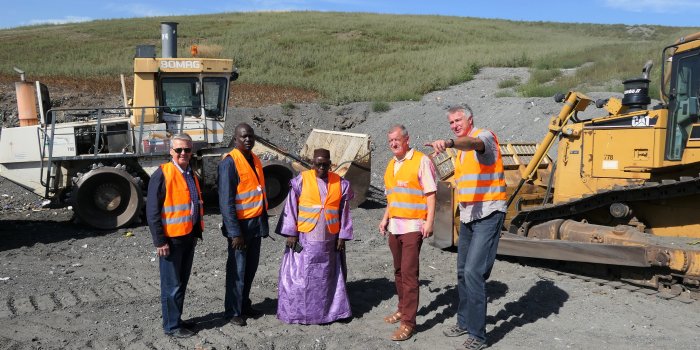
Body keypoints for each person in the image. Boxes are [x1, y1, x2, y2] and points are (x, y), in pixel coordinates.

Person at [426, 104, 507, 350]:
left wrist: (450, 142)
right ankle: (464, 322)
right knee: (462, 271)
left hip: (489, 212)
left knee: (473, 272)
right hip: (470, 215)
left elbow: (474, 144)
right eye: (451, 122)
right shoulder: (461, 152)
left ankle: (478, 335)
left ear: (470, 119)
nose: (454, 125)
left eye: (458, 120)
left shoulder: (484, 137)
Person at [275, 148, 354, 324]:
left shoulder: (340, 184)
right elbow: (291, 207)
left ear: (330, 164)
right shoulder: (301, 181)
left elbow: (344, 211)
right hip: (305, 239)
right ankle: (301, 313)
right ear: (312, 163)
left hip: (330, 241)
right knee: (303, 276)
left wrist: (342, 236)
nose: (322, 168)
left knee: (328, 277)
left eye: (325, 164)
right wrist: (291, 233)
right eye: (318, 164)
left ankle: (330, 312)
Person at [379, 124, 437, 341]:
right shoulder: (391, 164)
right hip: (395, 226)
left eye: (397, 139)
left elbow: (431, 194)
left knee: (409, 275)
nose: (393, 144)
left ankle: (408, 322)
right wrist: (385, 219)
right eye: (390, 141)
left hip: (413, 226)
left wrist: (429, 222)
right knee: (398, 272)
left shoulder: (421, 161)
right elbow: (391, 197)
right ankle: (403, 309)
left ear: (406, 139)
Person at [146, 133, 203, 338]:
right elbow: (152, 211)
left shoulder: (190, 173)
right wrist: (159, 240)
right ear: (171, 151)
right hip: (171, 240)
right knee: (172, 286)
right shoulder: (162, 174)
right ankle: (171, 326)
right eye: (179, 150)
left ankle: (176, 319)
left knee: (181, 283)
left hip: (188, 237)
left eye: (187, 149)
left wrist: (196, 231)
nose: (183, 153)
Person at [219, 123, 269, 327]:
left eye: (250, 136)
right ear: (235, 138)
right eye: (243, 136)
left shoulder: (254, 159)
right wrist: (234, 233)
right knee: (237, 271)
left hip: (255, 224)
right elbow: (226, 202)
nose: (248, 139)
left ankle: (244, 304)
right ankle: (233, 311)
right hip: (240, 227)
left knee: (249, 269)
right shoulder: (230, 163)